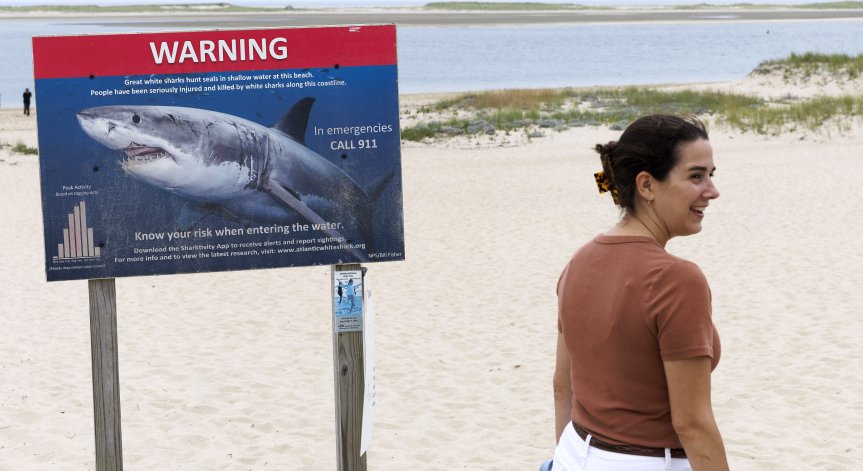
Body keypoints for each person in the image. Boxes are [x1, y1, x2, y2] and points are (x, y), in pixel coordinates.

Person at [551, 115, 728, 471]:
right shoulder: (676, 279)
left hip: (574, 453)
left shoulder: (580, 260)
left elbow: (562, 386)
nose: (712, 191)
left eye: (711, 175)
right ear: (646, 185)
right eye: (696, 176)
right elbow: (692, 424)